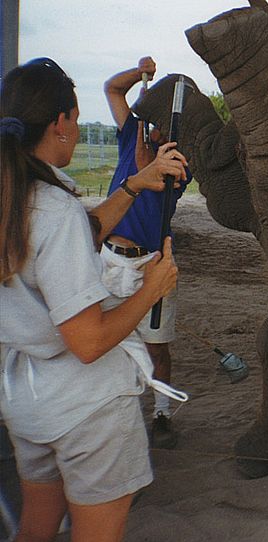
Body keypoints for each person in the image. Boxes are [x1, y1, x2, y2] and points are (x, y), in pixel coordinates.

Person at [0, 58, 187, 541]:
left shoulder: (15, 197)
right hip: (87, 411)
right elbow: (87, 341)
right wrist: (151, 289)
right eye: (78, 119)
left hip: (28, 399)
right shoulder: (55, 209)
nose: (80, 130)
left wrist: (131, 186)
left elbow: (80, 229)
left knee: (36, 524)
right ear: (60, 123)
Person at [103, 57, 191, 449]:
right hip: (109, 258)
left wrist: (143, 125)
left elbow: (147, 171)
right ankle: (113, 412)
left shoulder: (175, 166)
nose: (155, 129)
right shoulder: (130, 136)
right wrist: (141, 75)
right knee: (105, 338)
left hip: (150, 264)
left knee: (156, 345)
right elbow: (112, 88)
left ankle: (160, 413)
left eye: (161, 126)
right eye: (153, 122)